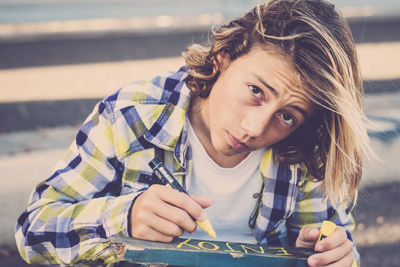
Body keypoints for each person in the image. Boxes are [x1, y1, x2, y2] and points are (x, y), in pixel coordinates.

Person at [16, 0, 372, 266]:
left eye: (288, 116)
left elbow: (337, 245)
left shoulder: (303, 147)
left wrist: (337, 255)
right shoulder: (132, 116)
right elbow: (33, 233)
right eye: (256, 91)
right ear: (223, 57)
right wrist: (121, 218)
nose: (254, 129)